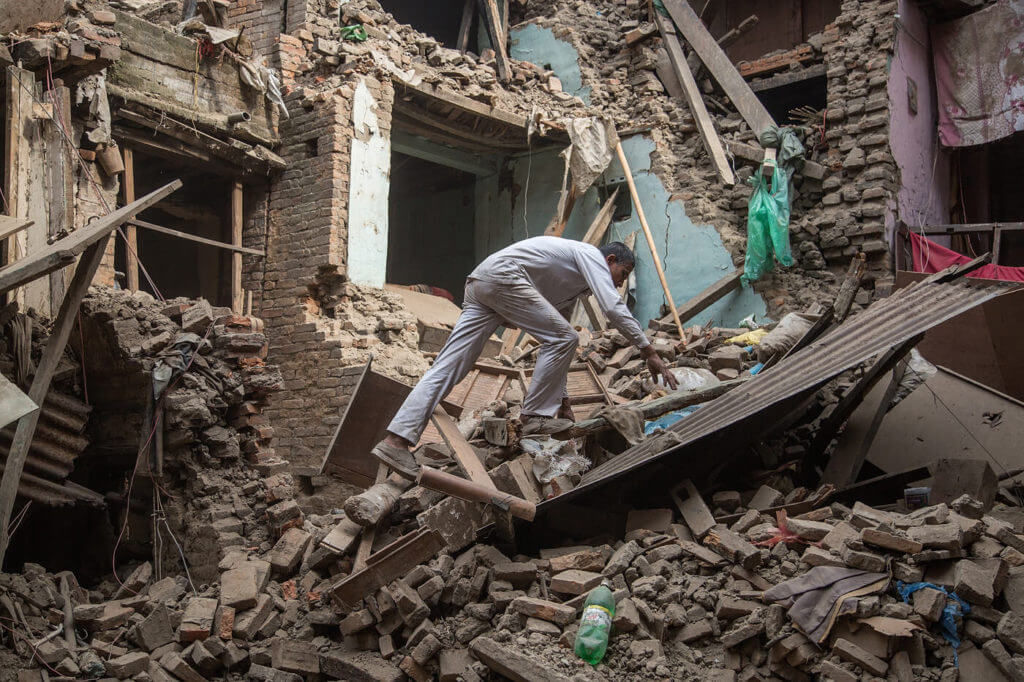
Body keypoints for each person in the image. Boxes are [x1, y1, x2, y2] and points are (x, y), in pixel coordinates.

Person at [372, 236, 679, 479]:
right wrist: (648, 350)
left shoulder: (570, 286)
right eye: (622, 274)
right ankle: (534, 419)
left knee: (448, 366)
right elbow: (612, 308)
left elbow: (556, 343)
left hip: (482, 283)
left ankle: (395, 441)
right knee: (565, 337)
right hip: (505, 278)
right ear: (609, 260)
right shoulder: (589, 255)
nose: (621, 283)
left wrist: (564, 400)